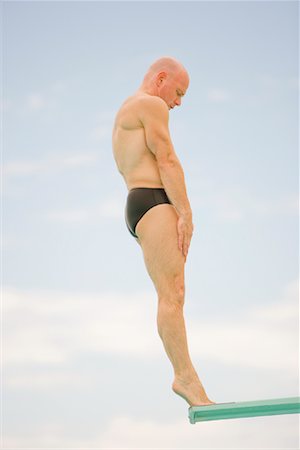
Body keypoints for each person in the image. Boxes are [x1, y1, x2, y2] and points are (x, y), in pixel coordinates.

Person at [112, 56, 215, 407]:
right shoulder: (150, 104)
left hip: (138, 203)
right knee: (173, 295)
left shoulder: (127, 109)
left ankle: (186, 376)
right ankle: (185, 377)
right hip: (154, 200)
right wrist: (185, 212)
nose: (178, 102)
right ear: (161, 79)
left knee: (173, 293)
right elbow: (166, 157)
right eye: (179, 92)